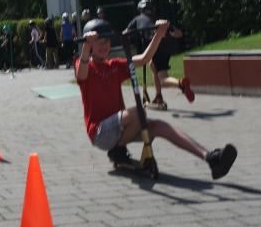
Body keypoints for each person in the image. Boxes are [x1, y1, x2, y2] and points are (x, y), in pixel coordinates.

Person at [75, 18, 237, 179]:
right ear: (89, 46)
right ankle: (118, 149)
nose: (104, 46)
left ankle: (210, 158)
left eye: (107, 41)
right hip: (99, 133)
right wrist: (86, 47)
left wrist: (159, 34)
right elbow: (81, 73)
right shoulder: (84, 66)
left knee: (160, 126)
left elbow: (144, 59)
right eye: (99, 42)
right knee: (138, 112)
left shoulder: (114, 65)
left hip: (122, 128)